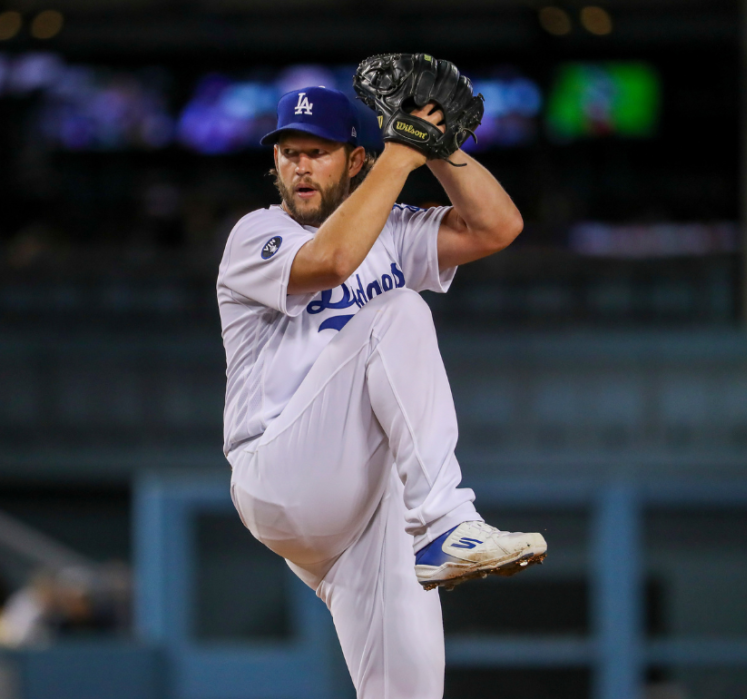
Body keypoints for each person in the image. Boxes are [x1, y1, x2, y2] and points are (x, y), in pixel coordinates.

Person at [217, 83, 547, 698]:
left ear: (354, 160)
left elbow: (498, 226)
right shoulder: (256, 235)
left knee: (411, 690)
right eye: (289, 152)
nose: (300, 166)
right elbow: (335, 260)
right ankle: (448, 522)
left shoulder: (392, 230)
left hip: (369, 506)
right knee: (397, 310)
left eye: (317, 152)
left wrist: (441, 146)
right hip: (278, 471)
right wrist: (403, 150)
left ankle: (440, 528)